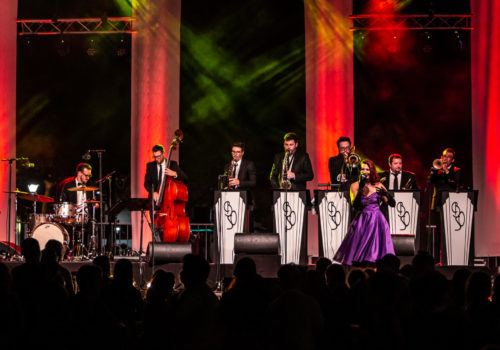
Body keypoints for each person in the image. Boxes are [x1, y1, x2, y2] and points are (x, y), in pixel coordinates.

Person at [334, 159, 395, 265]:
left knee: (376, 253)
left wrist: (386, 193)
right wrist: (361, 187)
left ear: (372, 171)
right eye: (362, 169)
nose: (365, 171)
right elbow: (355, 205)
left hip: (376, 220)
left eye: (367, 169)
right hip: (362, 219)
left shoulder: (378, 185)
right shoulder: (355, 185)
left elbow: (392, 203)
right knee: (358, 253)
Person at [427, 147, 462, 263]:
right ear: (442, 157)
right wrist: (433, 171)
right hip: (437, 203)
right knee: (438, 233)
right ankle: (438, 260)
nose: (446, 159)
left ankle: (449, 258)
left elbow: (455, 184)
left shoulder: (456, 170)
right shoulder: (437, 170)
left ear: (453, 160)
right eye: (445, 156)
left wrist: (446, 171)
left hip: (451, 204)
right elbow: (430, 181)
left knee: (448, 232)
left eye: (449, 157)